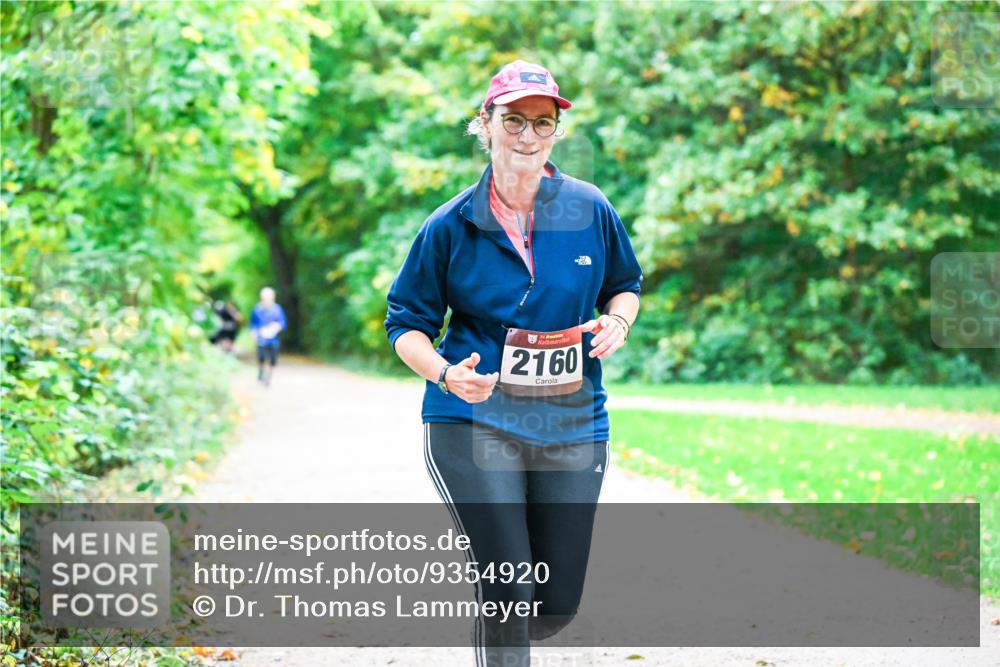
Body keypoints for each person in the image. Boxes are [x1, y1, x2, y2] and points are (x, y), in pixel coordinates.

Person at [384, 60, 642, 667]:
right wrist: (447, 374)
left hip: (572, 420)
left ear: (555, 131)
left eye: (542, 123)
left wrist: (619, 321)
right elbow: (406, 324)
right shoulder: (449, 225)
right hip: (472, 420)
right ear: (487, 123)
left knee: (553, 604)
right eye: (513, 120)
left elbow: (625, 284)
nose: (527, 135)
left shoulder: (589, 207)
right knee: (508, 584)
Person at [250, 287, 287, 386]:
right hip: (261, 339)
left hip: (273, 340)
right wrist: (254, 332)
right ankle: (262, 371)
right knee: (261, 357)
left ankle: (268, 377)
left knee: (272, 359)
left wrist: (277, 327)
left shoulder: (277, 309)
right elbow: (253, 324)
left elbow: (282, 322)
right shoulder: (257, 309)